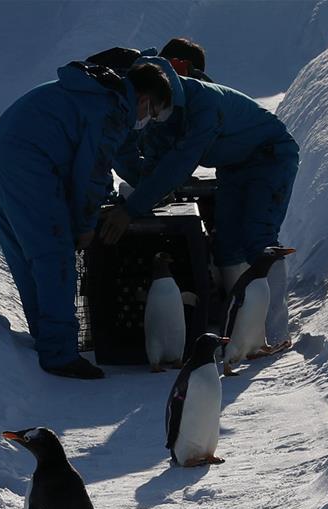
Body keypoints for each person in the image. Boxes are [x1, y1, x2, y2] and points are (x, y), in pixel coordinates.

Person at [0, 61, 171, 379]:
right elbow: (93, 172)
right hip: (29, 165)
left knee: (29, 255)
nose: (147, 121)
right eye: (153, 113)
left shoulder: (97, 94)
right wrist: (84, 227)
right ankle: (59, 354)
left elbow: (91, 159)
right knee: (54, 255)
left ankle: (47, 336)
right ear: (143, 99)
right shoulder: (111, 109)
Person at [102, 50, 299, 347]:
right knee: (227, 246)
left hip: (271, 157)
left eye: (136, 107)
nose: (135, 117)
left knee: (259, 239)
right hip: (233, 166)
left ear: (146, 99)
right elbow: (155, 167)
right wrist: (144, 193)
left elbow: (181, 162)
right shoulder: (161, 121)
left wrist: (132, 209)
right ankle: (242, 332)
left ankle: (274, 333)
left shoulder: (201, 104)